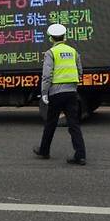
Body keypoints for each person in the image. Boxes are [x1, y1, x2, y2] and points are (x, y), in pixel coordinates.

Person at [33, 23, 87, 165]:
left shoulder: (51, 53)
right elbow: (80, 71)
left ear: (51, 38)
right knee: (73, 124)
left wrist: (44, 92)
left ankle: (44, 150)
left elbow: (47, 75)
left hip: (56, 93)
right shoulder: (73, 51)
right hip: (72, 93)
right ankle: (80, 155)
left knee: (51, 122)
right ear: (65, 37)